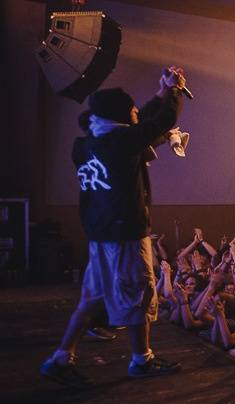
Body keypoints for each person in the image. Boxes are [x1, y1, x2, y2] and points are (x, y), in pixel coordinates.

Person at [41, 67, 188, 387]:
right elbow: (160, 121)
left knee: (93, 297)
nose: (136, 111)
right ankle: (141, 360)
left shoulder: (88, 142)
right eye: (132, 109)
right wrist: (175, 91)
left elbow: (140, 123)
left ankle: (60, 359)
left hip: (100, 234)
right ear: (121, 116)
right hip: (125, 235)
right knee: (138, 293)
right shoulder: (122, 141)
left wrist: (161, 91)